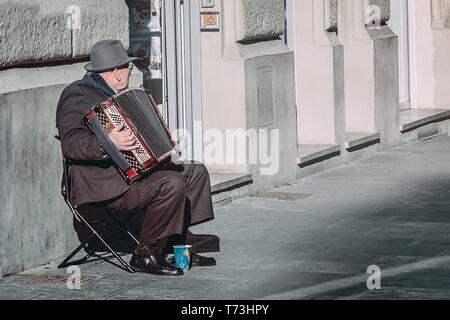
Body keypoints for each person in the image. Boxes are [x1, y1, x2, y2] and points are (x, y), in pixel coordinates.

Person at [56, 40, 217, 276]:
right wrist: (107, 143)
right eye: (127, 67)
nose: (129, 72)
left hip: (132, 175)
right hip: (104, 184)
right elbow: (71, 143)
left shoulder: (121, 95)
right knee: (171, 184)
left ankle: (175, 247)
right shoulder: (77, 94)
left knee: (195, 172)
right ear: (115, 72)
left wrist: (162, 146)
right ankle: (145, 255)